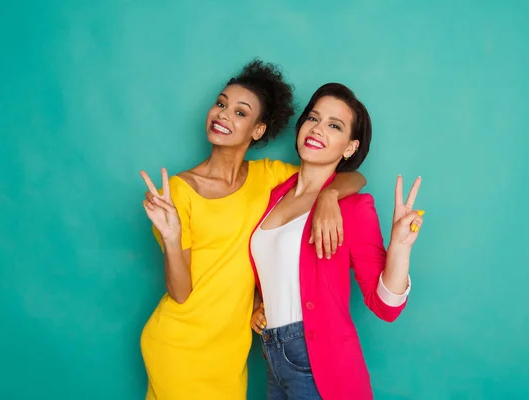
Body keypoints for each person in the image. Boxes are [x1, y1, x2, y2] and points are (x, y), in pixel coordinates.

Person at [138, 61, 367, 399]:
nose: (223, 115)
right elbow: (181, 292)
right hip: (179, 346)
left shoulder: (270, 177)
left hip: (231, 353)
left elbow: (345, 174)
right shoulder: (179, 191)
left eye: (240, 112)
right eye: (220, 104)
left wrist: (330, 196)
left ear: (258, 130)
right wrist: (172, 238)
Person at [249, 83, 425, 399]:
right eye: (313, 118)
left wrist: (400, 245)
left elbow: (386, 306)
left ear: (349, 147)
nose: (318, 129)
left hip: (318, 363)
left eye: (334, 125)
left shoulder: (353, 209)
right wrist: (260, 305)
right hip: (271, 356)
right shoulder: (274, 195)